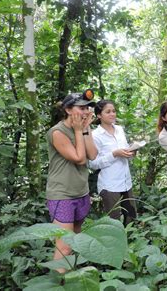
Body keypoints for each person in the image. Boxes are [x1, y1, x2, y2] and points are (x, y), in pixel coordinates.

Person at [46, 90, 98, 272]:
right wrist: (78, 130)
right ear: (68, 110)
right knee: (64, 246)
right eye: (81, 108)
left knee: (75, 242)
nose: (86, 112)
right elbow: (80, 158)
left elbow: (92, 154)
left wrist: (85, 129)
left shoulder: (84, 127)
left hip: (81, 192)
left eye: (87, 107)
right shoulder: (57, 132)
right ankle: (57, 283)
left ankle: (71, 281)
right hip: (62, 195)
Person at [88, 100, 137, 226]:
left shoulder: (119, 130)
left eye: (114, 111)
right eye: (108, 112)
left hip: (126, 182)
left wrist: (131, 152)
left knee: (131, 217)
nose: (112, 114)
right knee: (114, 222)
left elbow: (124, 150)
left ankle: (130, 244)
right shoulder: (95, 135)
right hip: (110, 185)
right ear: (99, 115)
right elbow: (92, 164)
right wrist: (114, 154)